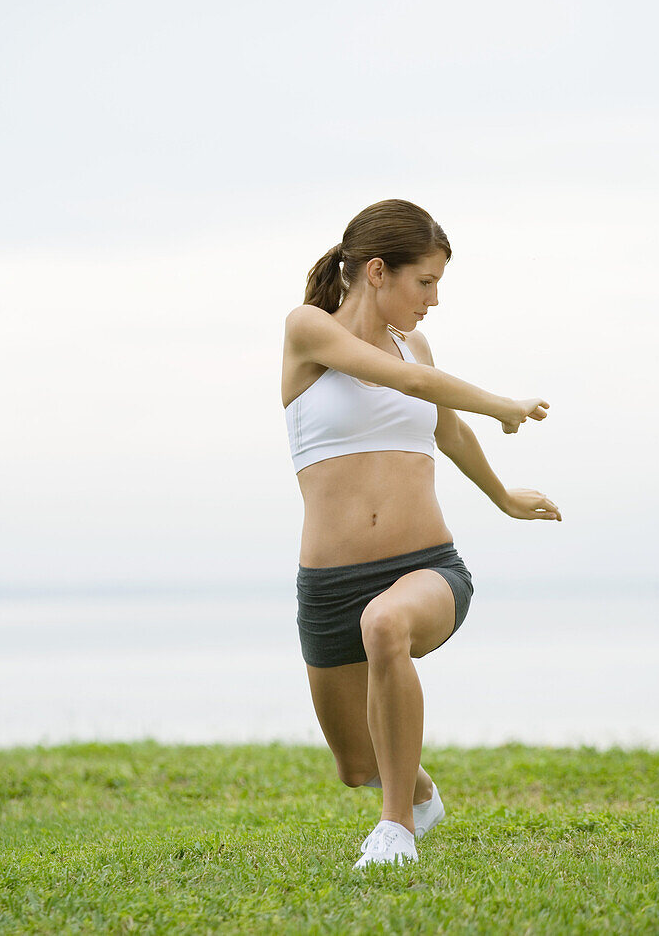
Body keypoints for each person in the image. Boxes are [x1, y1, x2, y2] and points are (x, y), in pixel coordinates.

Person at [281, 199, 561, 869]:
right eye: (425, 282)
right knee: (355, 763)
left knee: (386, 625)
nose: (434, 300)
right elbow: (406, 380)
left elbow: (447, 429)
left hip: (427, 567)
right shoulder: (307, 331)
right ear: (377, 272)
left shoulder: (418, 345)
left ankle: (396, 829)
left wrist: (503, 498)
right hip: (329, 583)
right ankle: (420, 795)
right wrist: (502, 404)